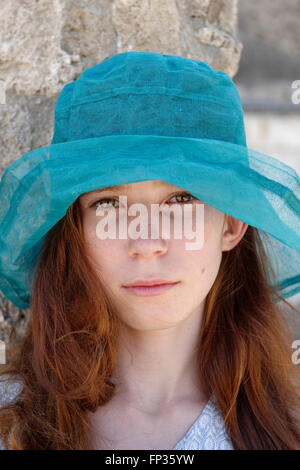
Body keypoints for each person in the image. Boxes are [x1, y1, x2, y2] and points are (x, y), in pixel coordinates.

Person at [0, 51, 299, 450]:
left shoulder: (289, 430)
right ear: (75, 232)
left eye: (180, 201)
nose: (146, 244)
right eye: (108, 204)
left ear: (230, 224)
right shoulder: (10, 424)